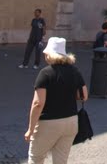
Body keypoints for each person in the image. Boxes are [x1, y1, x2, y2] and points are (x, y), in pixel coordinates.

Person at [25, 36, 87, 164]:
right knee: (61, 161)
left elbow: (38, 103)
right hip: (71, 121)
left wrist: (31, 129)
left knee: (36, 158)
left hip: (48, 123)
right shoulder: (75, 71)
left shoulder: (45, 73)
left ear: (49, 55)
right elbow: (84, 96)